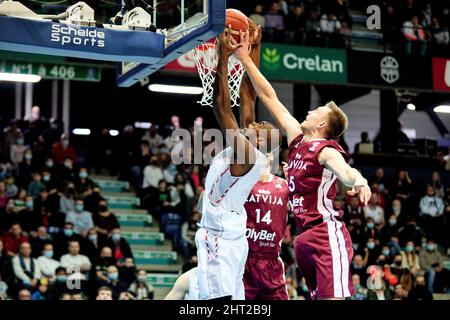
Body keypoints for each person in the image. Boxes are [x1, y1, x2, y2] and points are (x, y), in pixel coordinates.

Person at [233, 29, 371, 299]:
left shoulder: (325, 151)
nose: (309, 111)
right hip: (303, 239)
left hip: (325, 234)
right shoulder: (297, 140)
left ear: (322, 125)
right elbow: (269, 97)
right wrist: (244, 58)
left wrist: (360, 181)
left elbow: (345, 171)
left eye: (316, 111)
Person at [194, 27, 272, 300]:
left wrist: (223, 57)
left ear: (261, 143)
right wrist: (254, 48)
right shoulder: (249, 146)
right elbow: (248, 94)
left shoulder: (248, 156)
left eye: (262, 127)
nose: (257, 122)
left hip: (219, 240)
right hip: (233, 240)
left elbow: (221, 106)